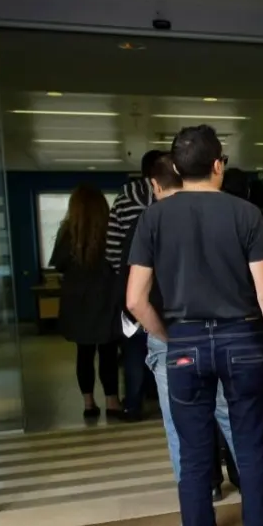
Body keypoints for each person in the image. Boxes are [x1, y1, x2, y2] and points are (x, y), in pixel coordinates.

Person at [126, 125, 263, 526]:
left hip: (185, 344)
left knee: (195, 458)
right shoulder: (245, 214)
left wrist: (170, 336)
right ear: (219, 164)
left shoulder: (154, 218)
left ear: (176, 170)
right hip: (243, 341)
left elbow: (135, 300)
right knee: (250, 451)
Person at [50, 183, 123, 419]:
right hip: (106, 298)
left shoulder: (67, 232)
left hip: (77, 302)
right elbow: (119, 262)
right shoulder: (110, 229)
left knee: (84, 353)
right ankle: (112, 402)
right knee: (108, 353)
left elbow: (59, 264)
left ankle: (89, 404)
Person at [108, 149, 166, 421]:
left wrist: (127, 278)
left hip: (132, 282)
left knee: (133, 347)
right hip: (164, 289)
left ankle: (133, 404)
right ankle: (160, 395)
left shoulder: (124, 198)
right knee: (163, 342)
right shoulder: (171, 202)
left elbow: (112, 248)